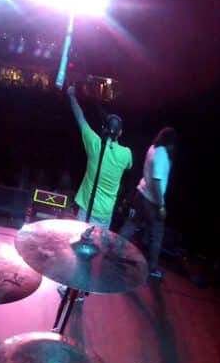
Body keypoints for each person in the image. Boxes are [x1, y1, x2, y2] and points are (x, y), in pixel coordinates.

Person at [67, 85, 133, 229]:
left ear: (104, 129)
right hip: (105, 214)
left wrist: (72, 95)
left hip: (86, 209)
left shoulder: (94, 144)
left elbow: (80, 117)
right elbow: (129, 166)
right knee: (98, 249)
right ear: (120, 133)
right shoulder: (126, 154)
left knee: (79, 244)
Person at [118, 127, 178, 279]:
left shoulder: (152, 148)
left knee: (131, 225)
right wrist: (161, 206)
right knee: (156, 235)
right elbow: (157, 181)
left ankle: (113, 251)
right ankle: (152, 268)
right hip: (152, 202)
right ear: (171, 142)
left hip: (141, 194)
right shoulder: (162, 155)